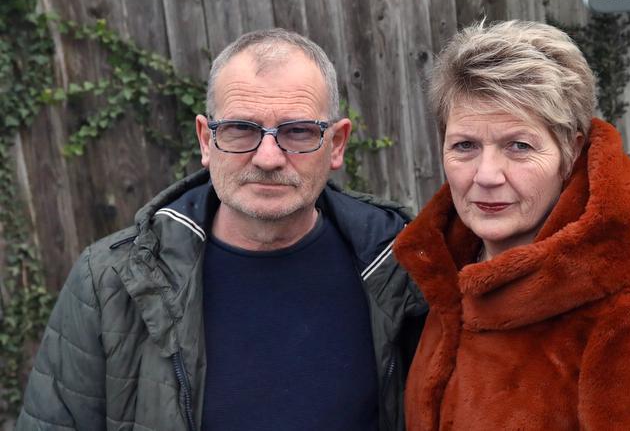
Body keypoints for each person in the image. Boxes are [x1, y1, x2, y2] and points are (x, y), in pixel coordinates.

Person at [17, 29, 426, 431]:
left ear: (336, 144)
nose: (268, 157)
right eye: (241, 129)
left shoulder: (403, 269)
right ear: (206, 140)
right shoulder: (109, 284)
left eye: (298, 131)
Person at [393, 20, 630, 429]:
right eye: (465, 145)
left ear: (572, 149)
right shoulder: (445, 276)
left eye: (519, 146)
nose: (487, 174)